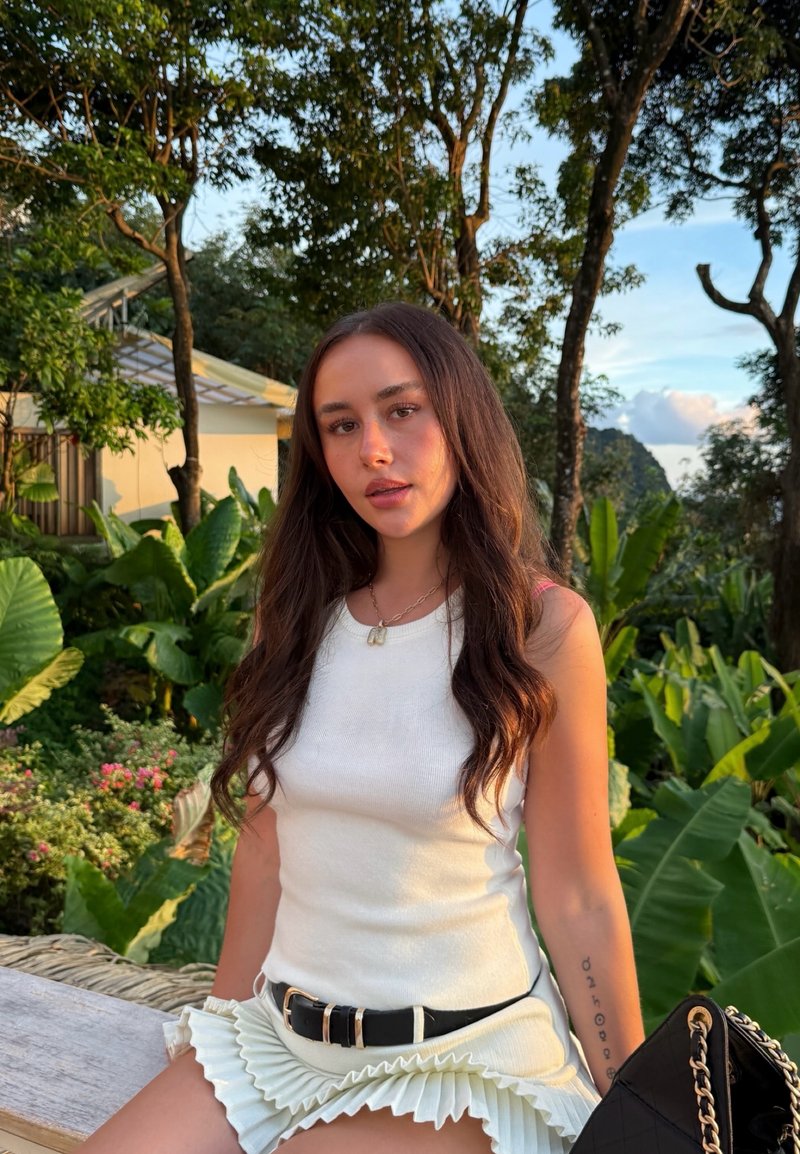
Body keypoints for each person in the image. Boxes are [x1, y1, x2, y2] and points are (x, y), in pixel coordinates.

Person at [78, 302, 644, 1154]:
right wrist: (216, 1041)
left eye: (401, 410)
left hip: (457, 1058)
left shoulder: (543, 629)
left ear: (459, 417)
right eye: (341, 426)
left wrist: (635, 1108)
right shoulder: (298, 620)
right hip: (279, 1039)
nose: (372, 449)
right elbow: (267, 848)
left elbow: (577, 895)